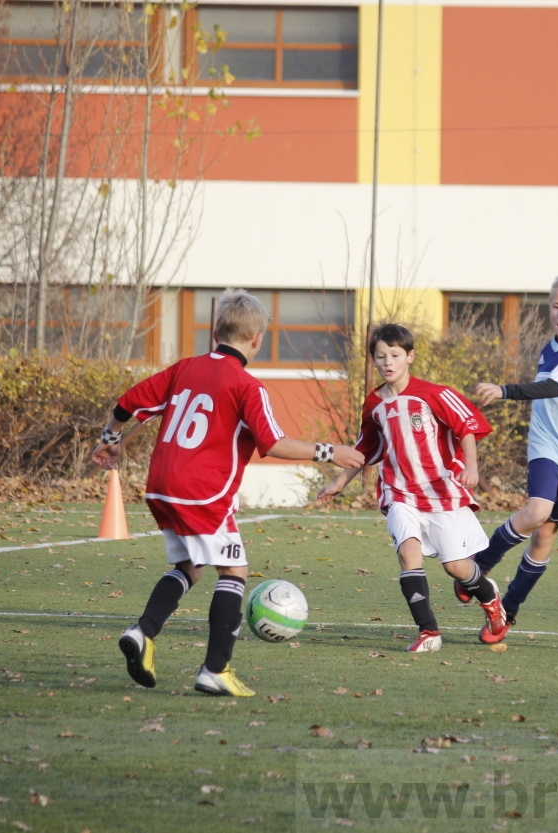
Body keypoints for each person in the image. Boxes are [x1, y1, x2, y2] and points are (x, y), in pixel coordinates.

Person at [92, 289, 363, 696]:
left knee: (191, 566)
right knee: (234, 571)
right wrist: (331, 451)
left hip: (161, 486)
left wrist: (110, 438)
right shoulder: (247, 385)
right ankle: (215, 670)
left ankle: (143, 633)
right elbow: (272, 443)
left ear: (215, 331)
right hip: (203, 492)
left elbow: (128, 402)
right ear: (258, 340)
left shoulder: (186, 368)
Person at [317, 323, 508, 651]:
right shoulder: (374, 403)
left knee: (456, 567)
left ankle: (491, 600)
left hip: (439, 491)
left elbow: (467, 427)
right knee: (409, 555)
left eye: (394, 355)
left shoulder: (435, 394)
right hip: (399, 492)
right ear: (373, 361)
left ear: (410, 357)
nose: (387, 362)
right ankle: (429, 632)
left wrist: (471, 468)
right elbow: (365, 448)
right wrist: (339, 482)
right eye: (380, 356)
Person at [460, 272, 558, 641]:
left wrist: (504, 389)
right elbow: (551, 391)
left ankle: (507, 609)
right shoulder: (550, 346)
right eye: (557, 306)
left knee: (543, 537)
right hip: (546, 445)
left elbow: (555, 386)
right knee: (537, 511)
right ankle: (480, 564)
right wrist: (506, 391)